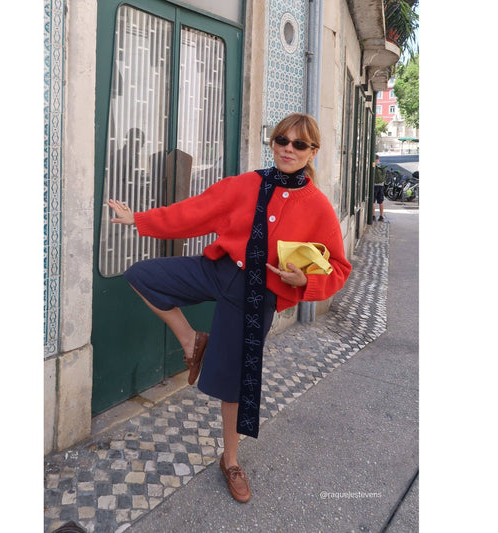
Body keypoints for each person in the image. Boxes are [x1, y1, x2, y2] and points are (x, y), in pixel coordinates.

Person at [107, 113, 352, 503]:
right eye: (282, 140)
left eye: (299, 144)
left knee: (235, 384)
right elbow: (194, 212)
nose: (288, 149)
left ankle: (231, 461)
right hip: (218, 270)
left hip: (255, 297)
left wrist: (304, 282)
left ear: (313, 152)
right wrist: (138, 219)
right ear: (273, 143)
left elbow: (339, 267)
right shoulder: (246, 184)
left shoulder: (318, 207)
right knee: (143, 275)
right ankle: (192, 341)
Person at [373, 154, 386, 221]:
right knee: (381, 202)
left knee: (373, 201)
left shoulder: (373, 165)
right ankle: (381, 216)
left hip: (374, 185)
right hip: (381, 185)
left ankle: (373, 215)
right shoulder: (382, 166)